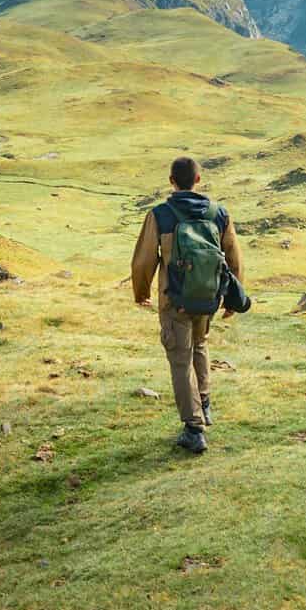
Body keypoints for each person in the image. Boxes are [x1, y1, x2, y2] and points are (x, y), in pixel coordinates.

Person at [129, 155, 244, 454]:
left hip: (174, 300)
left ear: (171, 181)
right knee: (200, 345)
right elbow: (233, 257)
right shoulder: (219, 214)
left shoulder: (161, 215)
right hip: (208, 298)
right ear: (198, 179)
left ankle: (194, 429)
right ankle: (203, 405)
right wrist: (232, 298)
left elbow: (144, 260)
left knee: (180, 359)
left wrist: (141, 292)